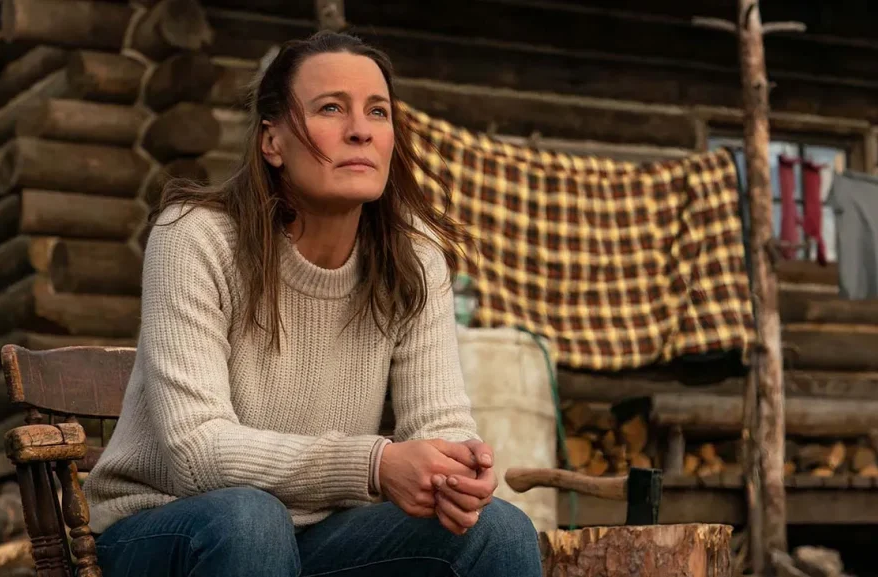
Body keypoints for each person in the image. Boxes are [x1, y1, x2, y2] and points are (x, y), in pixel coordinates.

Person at [83, 30, 542, 577]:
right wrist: (374, 464)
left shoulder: (414, 260)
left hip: (323, 535)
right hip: (167, 526)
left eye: (377, 112)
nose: (360, 130)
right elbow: (196, 451)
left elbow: (437, 423)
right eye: (331, 108)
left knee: (499, 531)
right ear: (271, 142)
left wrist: (456, 470)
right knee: (252, 521)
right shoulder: (195, 238)